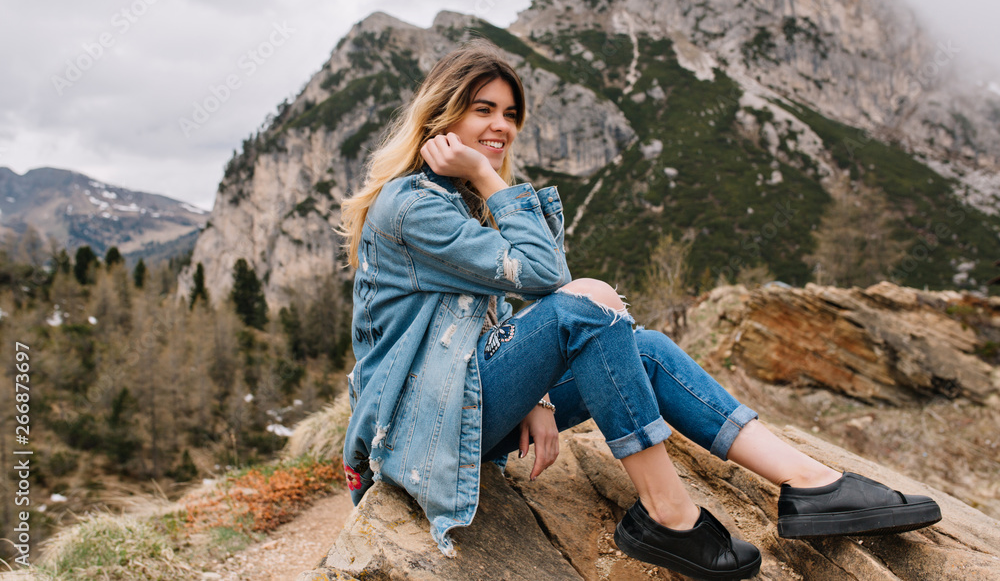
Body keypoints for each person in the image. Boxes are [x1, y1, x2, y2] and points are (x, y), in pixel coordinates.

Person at [338, 39, 941, 580]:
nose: (503, 127)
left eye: (511, 114)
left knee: (642, 349)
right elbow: (550, 280)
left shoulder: (453, 199)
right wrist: (491, 180)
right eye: (484, 110)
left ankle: (811, 485)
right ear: (444, 117)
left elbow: (500, 310)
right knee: (590, 306)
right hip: (415, 430)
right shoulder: (413, 205)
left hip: (458, 401)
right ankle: (669, 515)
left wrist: (540, 397)